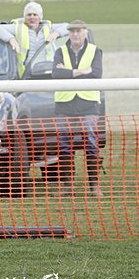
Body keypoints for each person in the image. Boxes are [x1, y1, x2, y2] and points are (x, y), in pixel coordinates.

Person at [51, 19, 104, 197]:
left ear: (85, 33)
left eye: (79, 31)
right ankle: (68, 187)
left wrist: (69, 72)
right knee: (64, 145)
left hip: (88, 104)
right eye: (72, 31)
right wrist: (81, 72)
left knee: (91, 144)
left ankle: (94, 187)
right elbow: (56, 74)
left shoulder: (95, 51)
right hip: (64, 105)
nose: (75, 34)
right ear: (69, 33)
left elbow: (96, 72)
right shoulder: (60, 51)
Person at [0, 2, 69, 78]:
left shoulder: (48, 28)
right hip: (26, 73)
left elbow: (67, 26)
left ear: (40, 17)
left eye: (35, 15)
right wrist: (11, 40)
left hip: (46, 71)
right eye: (29, 15)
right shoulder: (18, 28)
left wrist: (57, 33)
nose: (32, 17)